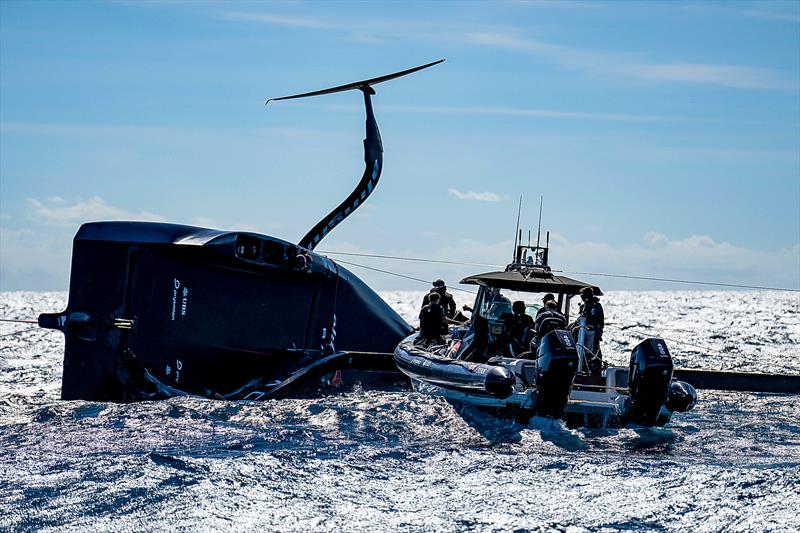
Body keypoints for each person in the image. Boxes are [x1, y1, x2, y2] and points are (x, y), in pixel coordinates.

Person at [572, 286, 604, 374]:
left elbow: (600, 321)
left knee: (591, 351)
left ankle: (591, 366)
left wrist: (599, 333)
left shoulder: (596, 306)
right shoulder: (583, 307)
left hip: (592, 332)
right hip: (581, 332)